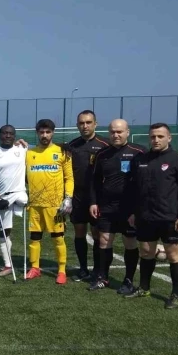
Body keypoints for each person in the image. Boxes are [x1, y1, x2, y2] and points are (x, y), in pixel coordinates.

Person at [125, 123, 178, 308]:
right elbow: (134, 189)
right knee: (146, 253)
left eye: (160, 136)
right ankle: (144, 288)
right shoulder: (141, 159)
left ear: (169, 138)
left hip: (169, 218)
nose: (156, 140)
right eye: (153, 136)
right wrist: (133, 212)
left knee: (173, 255)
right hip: (145, 217)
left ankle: (176, 295)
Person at [87, 120, 145, 293]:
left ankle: (128, 280)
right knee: (104, 241)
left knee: (130, 242)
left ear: (127, 132)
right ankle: (103, 277)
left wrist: (138, 209)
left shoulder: (139, 152)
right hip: (107, 206)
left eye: (119, 132)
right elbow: (95, 180)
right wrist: (93, 202)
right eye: (112, 132)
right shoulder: (102, 154)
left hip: (129, 208)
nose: (116, 135)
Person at [25, 119, 74, 285]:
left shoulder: (62, 152)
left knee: (58, 238)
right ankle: (35, 268)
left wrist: (68, 198)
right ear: (37, 133)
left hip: (55, 205)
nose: (44, 135)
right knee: (34, 237)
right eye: (41, 132)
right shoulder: (29, 153)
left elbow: (69, 178)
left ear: (53, 132)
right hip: (35, 205)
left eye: (48, 132)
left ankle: (62, 270)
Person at [67, 110, 110, 281]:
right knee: (79, 232)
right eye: (81, 123)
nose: (85, 126)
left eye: (88, 122)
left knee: (97, 233)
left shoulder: (105, 145)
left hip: (97, 198)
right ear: (77, 125)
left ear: (95, 124)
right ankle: (83, 268)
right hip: (77, 197)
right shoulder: (72, 145)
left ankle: (98, 270)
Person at [0, 125, 28, 277]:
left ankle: (21, 202)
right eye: (5, 133)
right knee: (4, 232)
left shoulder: (22, 150)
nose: (8, 136)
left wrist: (65, 146)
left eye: (11, 134)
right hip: (2, 197)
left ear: (15, 136)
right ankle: (8, 265)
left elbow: (43, 147)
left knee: (22, 199)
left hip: (19, 193)